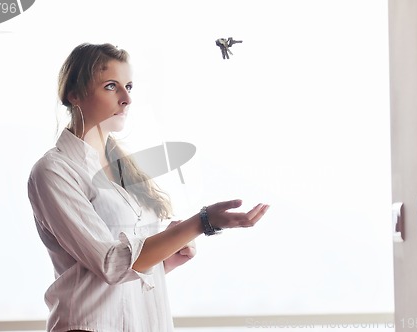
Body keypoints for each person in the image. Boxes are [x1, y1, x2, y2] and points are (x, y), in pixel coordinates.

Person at [27, 42, 269, 332]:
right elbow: (111, 263)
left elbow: (126, 272)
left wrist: (166, 255)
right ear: (74, 94)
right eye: (111, 86)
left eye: (129, 86)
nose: (126, 98)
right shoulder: (56, 170)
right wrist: (202, 222)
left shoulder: (123, 168)